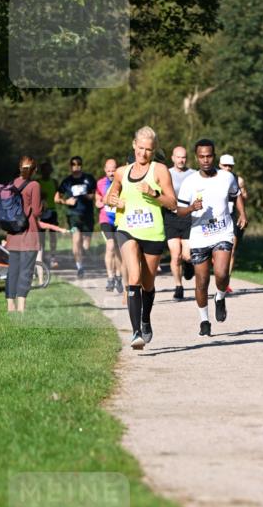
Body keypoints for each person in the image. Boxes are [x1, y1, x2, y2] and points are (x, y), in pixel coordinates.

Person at [105, 127, 177, 349]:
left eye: (148, 150)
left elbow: (172, 203)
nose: (143, 153)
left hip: (152, 232)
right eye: (141, 148)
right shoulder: (121, 172)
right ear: (134, 145)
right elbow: (109, 196)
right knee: (134, 277)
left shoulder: (160, 170)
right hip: (127, 229)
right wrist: (113, 200)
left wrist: (153, 193)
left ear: (153, 151)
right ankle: (136, 332)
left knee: (147, 283)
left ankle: (145, 319)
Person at [177, 139, 247, 336]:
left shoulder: (227, 177)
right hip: (200, 236)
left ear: (214, 156)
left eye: (209, 156)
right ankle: (204, 321)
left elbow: (236, 194)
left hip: (223, 232)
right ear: (196, 158)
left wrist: (242, 213)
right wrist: (192, 208)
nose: (205, 160)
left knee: (222, 273)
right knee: (201, 281)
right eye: (201, 157)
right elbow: (179, 210)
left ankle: (220, 297)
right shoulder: (190, 182)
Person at [4, 157, 43, 313]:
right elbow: (37, 211)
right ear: (35, 170)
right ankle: (21, 308)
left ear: (20, 168)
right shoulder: (34, 185)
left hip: (13, 233)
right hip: (28, 233)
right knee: (26, 271)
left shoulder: (11, 184)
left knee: (13, 270)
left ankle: (10, 306)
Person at [55, 156, 96, 277]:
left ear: (81, 165)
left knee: (86, 245)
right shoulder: (67, 181)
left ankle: (82, 255)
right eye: (73, 164)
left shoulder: (89, 178)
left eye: (78, 164)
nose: (76, 167)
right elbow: (56, 198)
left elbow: (94, 195)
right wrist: (66, 201)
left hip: (87, 215)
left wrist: (87, 196)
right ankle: (79, 267)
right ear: (70, 166)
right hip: (73, 216)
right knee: (76, 239)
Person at [164, 145, 195, 301]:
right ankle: (178, 286)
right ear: (173, 158)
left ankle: (189, 264)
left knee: (187, 255)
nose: (181, 160)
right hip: (171, 217)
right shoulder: (166, 173)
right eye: (178, 157)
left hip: (188, 217)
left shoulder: (193, 174)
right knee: (175, 255)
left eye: (183, 157)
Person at [219, 153, 248, 285]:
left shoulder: (238, 180)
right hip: (216, 217)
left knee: (231, 250)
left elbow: (245, 197)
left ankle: (226, 281)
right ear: (219, 165)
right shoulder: (213, 178)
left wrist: (239, 194)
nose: (228, 168)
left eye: (230, 166)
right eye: (225, 165)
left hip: (233, 216)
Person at [95, 159, 123, 293]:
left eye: (113, 170)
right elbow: (97, 199)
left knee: (119, 249)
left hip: (119, 219)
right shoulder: (100, 183)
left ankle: (118, 276)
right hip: (106, 219)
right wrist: (99, 203)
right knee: (110, 245)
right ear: (105, 170)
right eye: (109, 170)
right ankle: (110, 277)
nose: (111, 173)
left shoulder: (122, 182)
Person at [37, 161, 59, 268]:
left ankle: (53, 257)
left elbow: (58, 196)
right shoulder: (37, 182)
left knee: (53, 236)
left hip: (52, 211)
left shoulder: (54, 182)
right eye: (44, 170)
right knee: (41, 237)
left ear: (51, 171)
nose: (47, 172)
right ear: (41, 171)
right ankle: (42, 256)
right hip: (41, 213)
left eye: (48, 170)